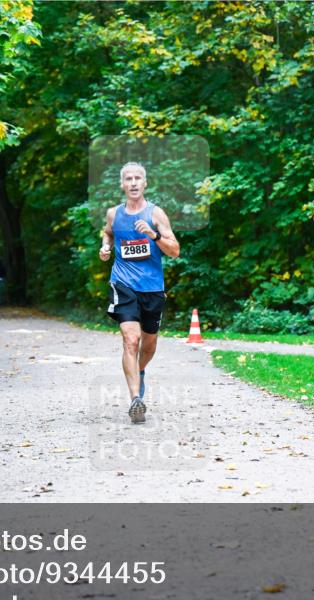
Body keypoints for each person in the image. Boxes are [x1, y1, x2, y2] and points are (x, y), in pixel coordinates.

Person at [99, 162, 180, 423]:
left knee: (149, 343)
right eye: (128, 179)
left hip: (152, 288)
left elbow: (175, 250)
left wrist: (154, 235)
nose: (133, 183)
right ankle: (136, 399)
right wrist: (105, 246)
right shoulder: (114, 214)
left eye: (138, 179)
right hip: (122, 283)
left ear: (145, 184)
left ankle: (139, 371)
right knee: (130, 340)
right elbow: (108, 232)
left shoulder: (156, 214)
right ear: (122, 184)